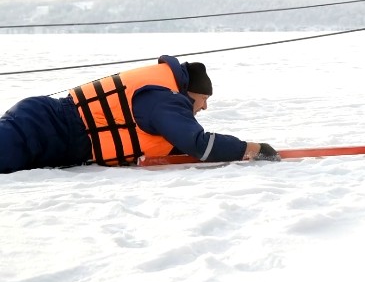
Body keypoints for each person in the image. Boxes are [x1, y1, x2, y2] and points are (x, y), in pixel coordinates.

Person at [0, 55, 280, 174]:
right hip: (41, 129)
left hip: (49, 132)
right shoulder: (164, 100)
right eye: (204, 99)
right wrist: (251, 149)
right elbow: (198, 144)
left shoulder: (164, 98)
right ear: (189, 93)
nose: (205, 107)